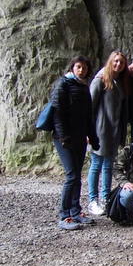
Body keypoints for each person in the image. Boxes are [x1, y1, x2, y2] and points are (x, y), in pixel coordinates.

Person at [51, 56, 99, 230]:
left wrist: (93, 138)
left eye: (84, 68)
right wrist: (64, 137)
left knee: (77, 175)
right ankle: (65, 216)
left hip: (80, 137)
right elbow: (57, 113)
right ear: (72, 68)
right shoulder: (63, 84)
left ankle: (75, 211)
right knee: (71, 175)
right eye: (78, 67)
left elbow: (88, 116)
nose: (81, 70)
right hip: (64, 138)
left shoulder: (83, 86)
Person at [87, 51, 129, 216]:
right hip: (100, 130)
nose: (118, 64)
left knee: (108, 166)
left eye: (121, 62)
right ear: (110, 61)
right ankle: (92, 200)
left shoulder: (120, 81)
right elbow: (90, 107)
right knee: (96, 165)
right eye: (116, 61)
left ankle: (105, 199)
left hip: (114, 131)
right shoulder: (100, 79)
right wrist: (88, 132)